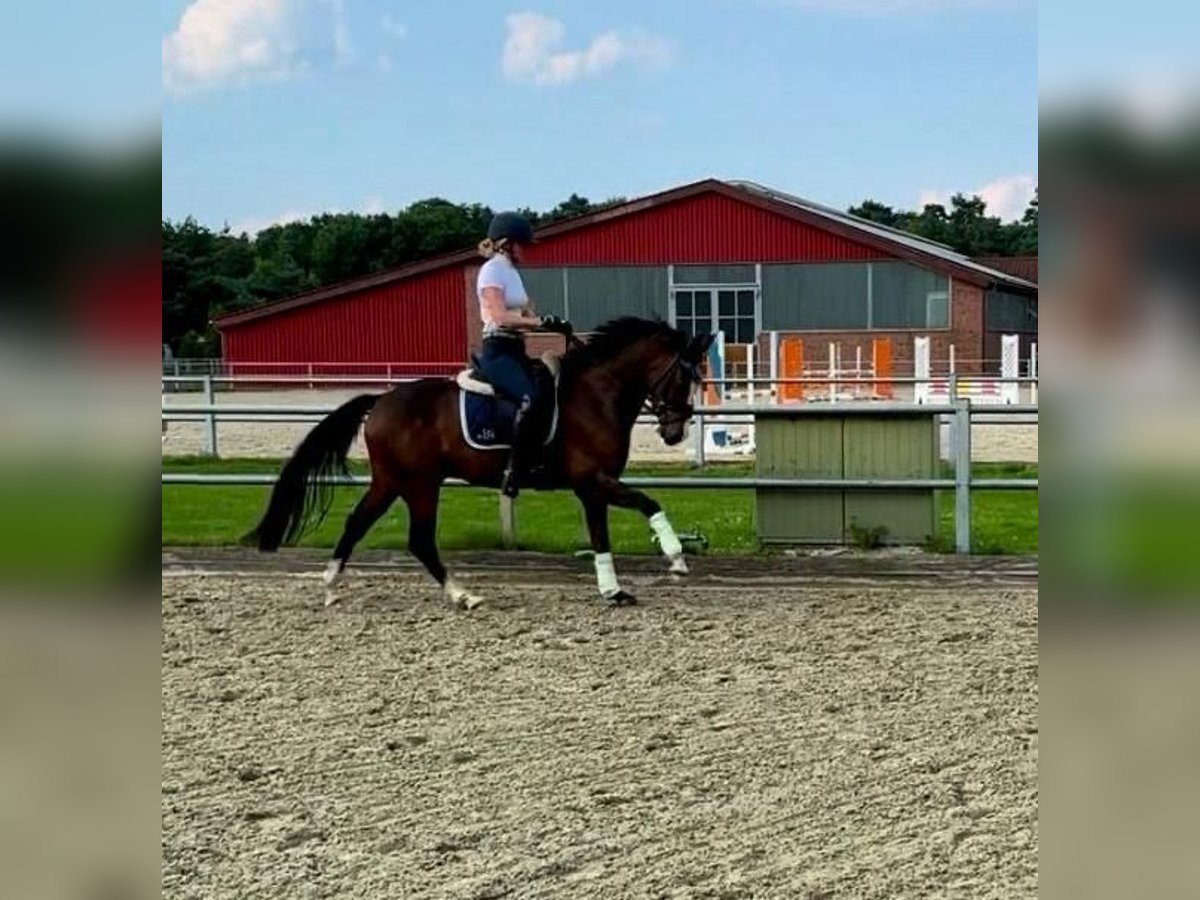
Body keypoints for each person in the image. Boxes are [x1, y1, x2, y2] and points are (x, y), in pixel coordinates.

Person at [475, 211, 569, 497]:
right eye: (522, 244)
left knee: (550, 389)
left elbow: (527, 314)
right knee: (529, 399)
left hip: (516, 348)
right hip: (497, 349)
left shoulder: (512, 273)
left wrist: (554, 323)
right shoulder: (492, 270)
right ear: (506, 244)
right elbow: (501, 317)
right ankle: (514, 470)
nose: (525, 250)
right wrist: (538, 322)